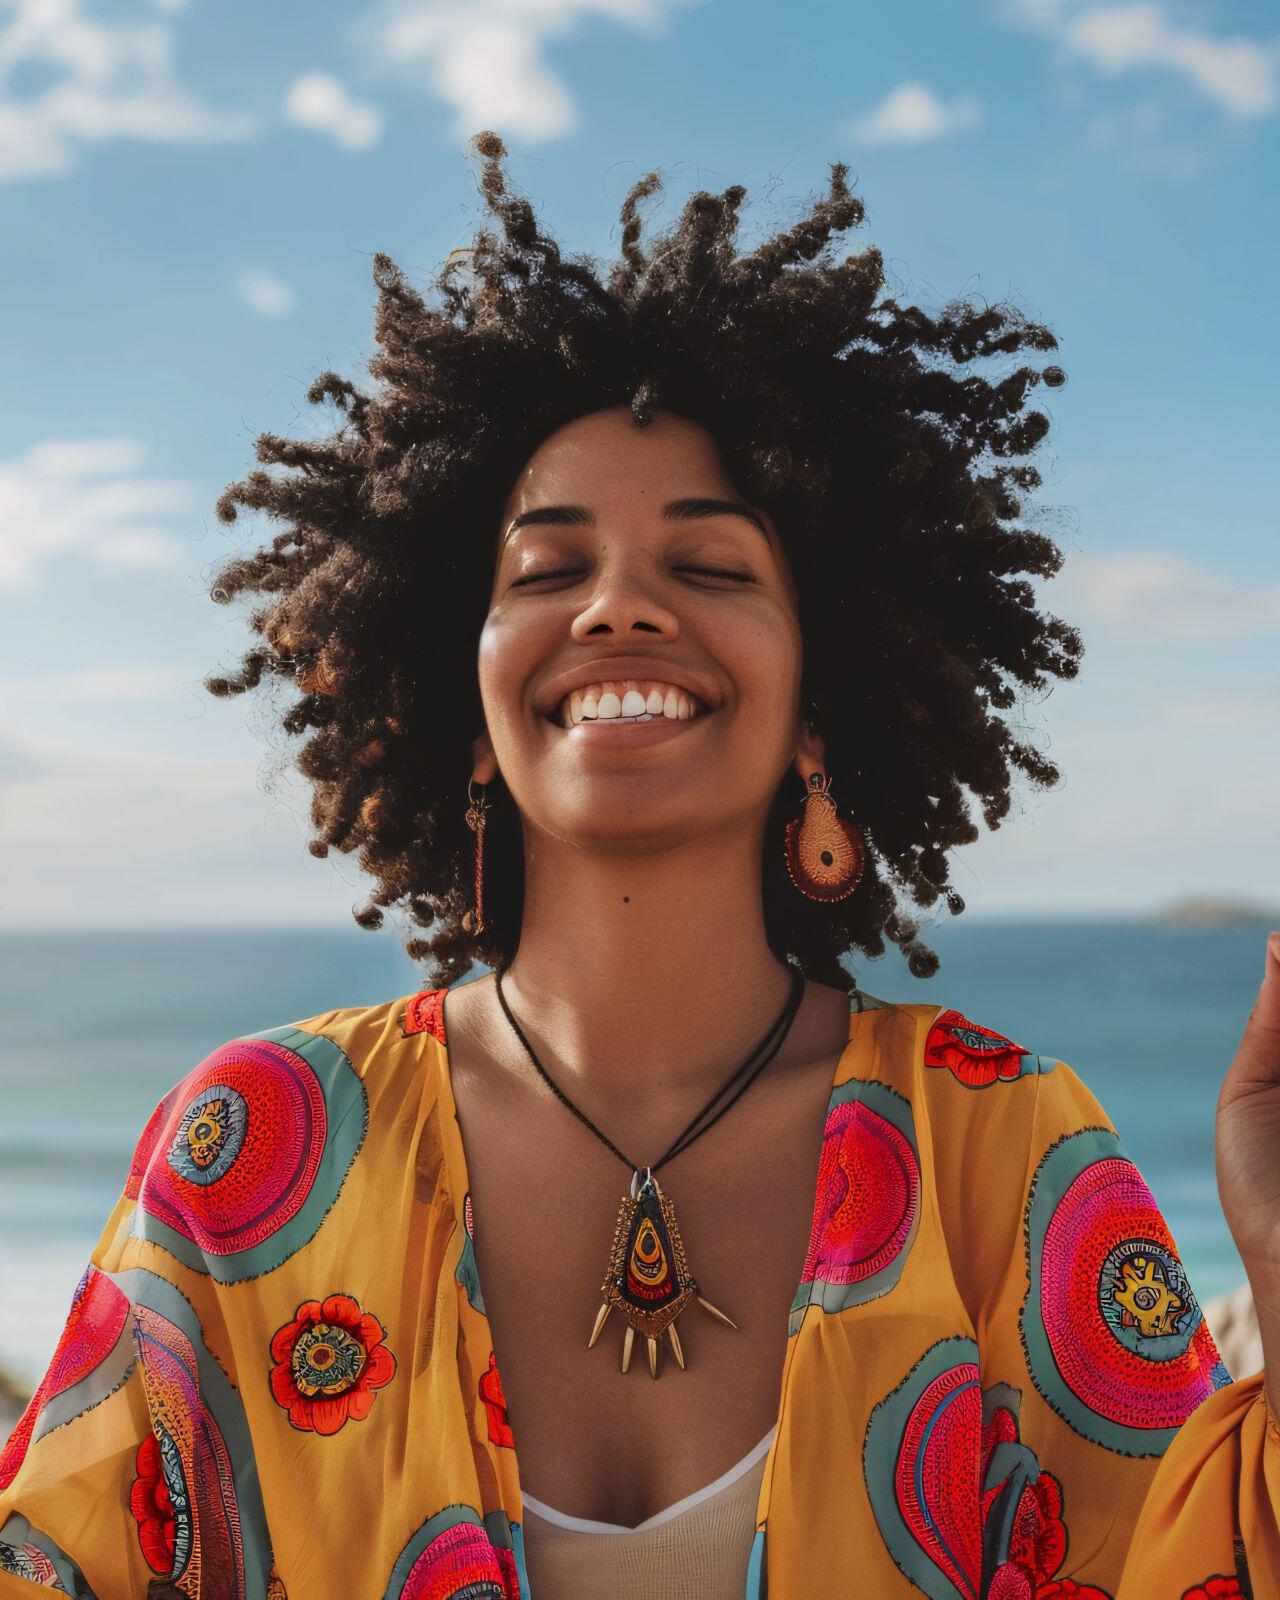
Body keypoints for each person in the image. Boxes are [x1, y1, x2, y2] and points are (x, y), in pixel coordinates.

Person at [1, 131, 1277, 1600]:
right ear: (462, 707)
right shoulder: (257, 1151)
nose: (618, 609)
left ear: (822, 701)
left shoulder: (1003, 1153)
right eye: (546, 571)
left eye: (714, 567)